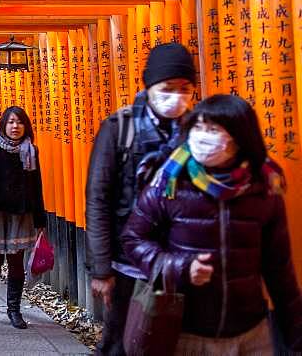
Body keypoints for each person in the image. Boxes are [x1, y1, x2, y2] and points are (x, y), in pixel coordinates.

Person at [122, 94, 302, 353]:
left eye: (213, 129)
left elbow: (280, 269)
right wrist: (179, 268)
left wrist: (295, 335)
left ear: (239, 137)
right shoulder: (169, 182)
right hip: (187, 334)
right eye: (198, 127)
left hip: (252, 334)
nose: (202, 136)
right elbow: (133, 238)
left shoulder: (264, 188)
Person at [85, 42, 197, 355]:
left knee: (174, 341)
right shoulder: (119, 128)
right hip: (127, 262)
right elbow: (98, 199)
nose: (176, 96)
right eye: (167, 88)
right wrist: (101, 269)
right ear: (149, 86)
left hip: (179, 256)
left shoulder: (196, 129)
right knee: (125, 340)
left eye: (185, 88)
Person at [0, 106, 45, 330]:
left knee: (16, 262)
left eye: (20, 122)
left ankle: (14, 309)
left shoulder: (31, 151)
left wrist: (40, 220)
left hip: (21, 214)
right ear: (4, 125)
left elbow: (37, 187)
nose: (15, 127)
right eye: (11, 122)